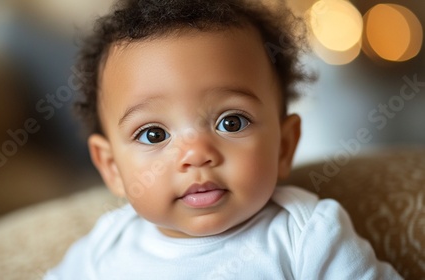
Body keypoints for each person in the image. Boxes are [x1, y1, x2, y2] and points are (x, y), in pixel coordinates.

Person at [46, 0, 402, 279]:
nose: (196, 154)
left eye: (231, 122)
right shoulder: (105, 248)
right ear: (112, 168)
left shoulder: (306, 236)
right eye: (154, 134)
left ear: (284, 146)